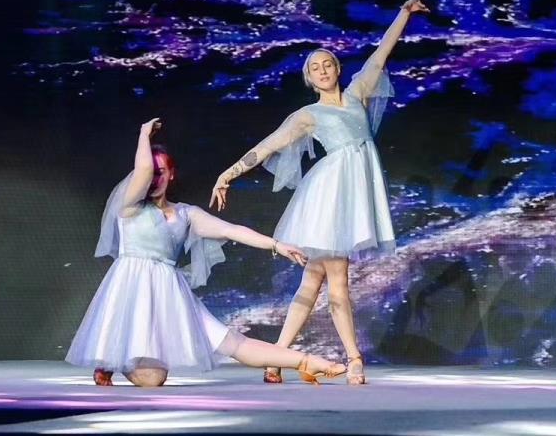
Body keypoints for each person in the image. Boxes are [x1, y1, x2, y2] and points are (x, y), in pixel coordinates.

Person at [211, 0, 429, 385]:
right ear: (310, 80)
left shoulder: (357, 93)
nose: (323, 70)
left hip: (348, 196)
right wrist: (228, 173)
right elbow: (268, 146)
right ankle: (354, 358)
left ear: (338, 69)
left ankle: (275, 360)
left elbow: (381, 53)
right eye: (315, 68)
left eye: (328, 64)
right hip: (330, 200)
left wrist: (403, 14)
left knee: (311, 282)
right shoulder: (308, 115)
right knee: (337, 282)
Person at [66, 118, 346, 387]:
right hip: (133, 289)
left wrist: (276, 245)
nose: (153, 178)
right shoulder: (130, 207)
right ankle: (114, 358)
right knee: (152, 380)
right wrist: (143, 135)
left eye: (160, 172)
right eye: (150, 172)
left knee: (232, 343)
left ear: (171, 174)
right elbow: (142, 171)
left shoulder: (185, 214)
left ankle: (308, 362)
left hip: (169, 293)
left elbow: (232, 230)